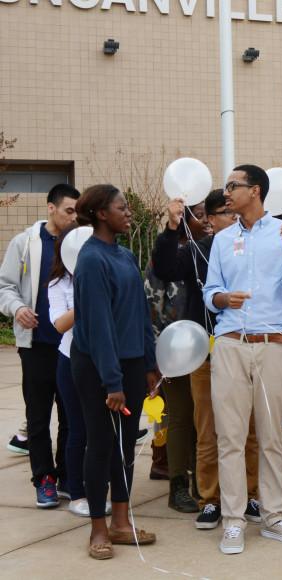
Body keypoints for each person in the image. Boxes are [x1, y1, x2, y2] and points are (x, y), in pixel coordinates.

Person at [203, 164, 282, 554]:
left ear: (257, 191)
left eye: (234, 185)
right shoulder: (222, 238)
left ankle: (272, 515)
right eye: (226, 186)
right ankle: (233, 520)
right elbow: (210, 290)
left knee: (270, 435)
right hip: (230, 341)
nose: (227, 192)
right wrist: (221, 299)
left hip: (274, 344)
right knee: (230, 436)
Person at [152, 190, 262, 530]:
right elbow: (166, 267)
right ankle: (211, 499)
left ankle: (251, 494)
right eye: (224, 213)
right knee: (208, 428)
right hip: (207, 350)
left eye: (233, 213)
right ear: (211, 219)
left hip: (249, 345)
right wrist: (172, 228)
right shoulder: (199, 250)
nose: (232, 218)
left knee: (251, 428)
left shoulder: (256, 246)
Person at [70, 184, 161, 559]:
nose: (128, 212)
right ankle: (98, 529)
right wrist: (113, 381)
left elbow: (140, 312)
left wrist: (150, 363)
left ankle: (122, 523)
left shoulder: (123, 255)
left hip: (130, 362)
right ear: (101, 214)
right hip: (98, 367)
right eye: (122, 208)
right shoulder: (92, 259)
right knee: (100, 445)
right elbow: (99, 325)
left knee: (124, 446)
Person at [0, 183, 79, 506]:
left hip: (72, 345)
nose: (74, 217)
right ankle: (43, 478)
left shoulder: (79, 243)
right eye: (68, 211)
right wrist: (18, 309)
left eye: (77, 211)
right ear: (51, 208)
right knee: (38, 415)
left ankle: (65, 475)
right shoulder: (26, 243)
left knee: (71, 415)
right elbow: (5, 286)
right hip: (36, 345)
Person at [149, 199, 210, 513]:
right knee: (180, 418)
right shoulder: (171, 255)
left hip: (206, 347)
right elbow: (153, 307)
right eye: (199, 217)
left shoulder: (210, 252)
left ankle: (203, 482)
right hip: (174, 350)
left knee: (203, 421)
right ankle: (177, 486)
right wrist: (159, 358)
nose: (207, 222)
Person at [47, 226, 107, 517]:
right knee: (77, 429)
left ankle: (100, 488)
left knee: (101, 429)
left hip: (103, 361)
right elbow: (59, 324)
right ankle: (76, 492)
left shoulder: (105, 273)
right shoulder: (58, 284)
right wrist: (85, 296)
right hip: (70, 361)